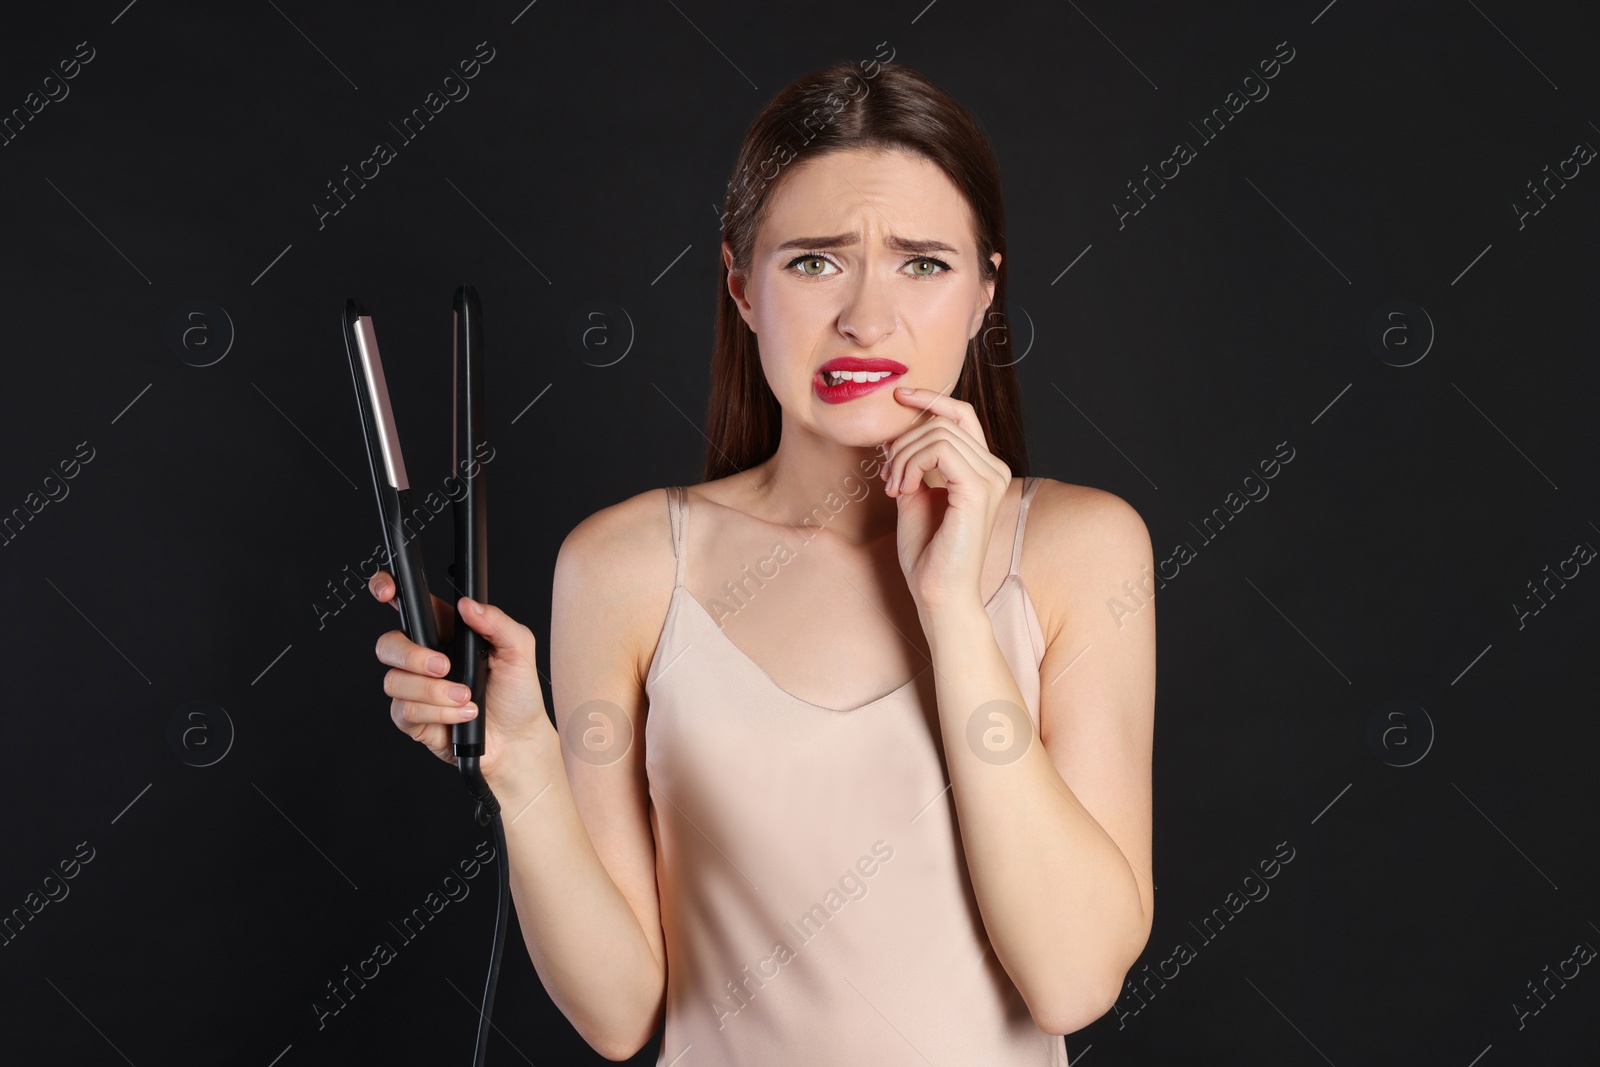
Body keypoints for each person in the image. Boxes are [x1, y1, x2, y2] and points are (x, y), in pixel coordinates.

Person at [370, 59, 1155, 1065]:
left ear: (983, 294)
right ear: (741, 284)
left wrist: (953, 608)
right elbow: (617, 1012)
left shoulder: (1077, 549)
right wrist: (523, 770)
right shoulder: (624, 564)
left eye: (922, 263)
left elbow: (1073, 975)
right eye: (815, 262)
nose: (867, 318)